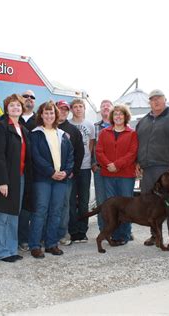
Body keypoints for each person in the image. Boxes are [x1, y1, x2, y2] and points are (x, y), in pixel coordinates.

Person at [136, 89, 169, 251]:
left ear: (165, 100)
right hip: (148, 170)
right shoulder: (143, 121)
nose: (156, 102)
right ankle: (155, 235)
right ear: (149, 102)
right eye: (152, 99)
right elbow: (136, 144)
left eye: (159, 99)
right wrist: (136, 162)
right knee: (150, 205)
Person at [0, 94, 31, 262]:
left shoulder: (23, 129)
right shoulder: (1, 127)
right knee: (2, 216)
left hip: (20, 178)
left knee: (13, 214)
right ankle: (2, 252)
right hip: (5, 178)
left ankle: (11, 249)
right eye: (12, 105)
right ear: (7, 108)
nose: (15, 108)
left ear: (22, 108)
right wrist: (3, 181)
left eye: (18, 105)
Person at [29, 101, 74, 259]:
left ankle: (51, 244)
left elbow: (70, 156)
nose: (49, 116)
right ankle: (34, 245)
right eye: (46, 113)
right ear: (41, 115)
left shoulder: (62, 135)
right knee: (41, 211)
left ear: (56, 116)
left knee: (56, 212)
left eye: (52, 113)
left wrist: (66, 172)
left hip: (61, 180)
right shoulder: (35, 134)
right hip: (43, 179)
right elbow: (36, 157)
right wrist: (51, 172)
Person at [96, 104, 138, 245]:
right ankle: (112, 233)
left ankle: (124, 235)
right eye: (116, 114)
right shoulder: (104, 133)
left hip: (126, 175)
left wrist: (117, 165)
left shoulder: (132, 133)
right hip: (108, 174)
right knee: (112, 206)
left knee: (126, 206)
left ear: (126, 117)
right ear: (112, 117)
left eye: (121, 114)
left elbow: (132, 153)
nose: (118, 116)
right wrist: (109, 165)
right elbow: (99, 151)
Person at [56, 100, 84, 246]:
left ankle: (62, 234)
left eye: (66, 109)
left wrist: (73, 171)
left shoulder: (73, 130)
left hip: (67, 175)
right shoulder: (47, 126)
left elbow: (79, 152)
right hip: (49, 175)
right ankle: (47, 233)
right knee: (48, 206)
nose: (63, 111)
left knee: (65, 205)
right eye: (60, 109)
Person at [68, 99, 95, 243]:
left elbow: (91, 144)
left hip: (85, 167)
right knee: (71, 201)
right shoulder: (68, 125)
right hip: (71, 168)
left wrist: (87, 159)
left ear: (84, 109)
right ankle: (73, 231)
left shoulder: (90, 125)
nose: (78, 109)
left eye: (80, 106)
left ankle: (82, 230)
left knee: (84, 201)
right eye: (75, 107)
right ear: (71, 109)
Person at [17, 89, 37, 251]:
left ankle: (29, 238)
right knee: (17, 205)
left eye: (32, 97)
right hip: (16, 171)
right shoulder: (11, 119)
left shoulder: (40, 120)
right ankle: (17, 238)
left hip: (36, 171)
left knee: (32, 206)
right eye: (26, 96)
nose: (29, 98)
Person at [92, 100, 113, 232]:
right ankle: (102, 229)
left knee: (116, 200)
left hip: (115, 169)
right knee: (101, 200)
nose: (105, 107)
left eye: (108, 105)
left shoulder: (120, 125)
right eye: (103, 106)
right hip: (99, 168)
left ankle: (119, 229)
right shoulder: (95, 127)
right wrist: (93, 163)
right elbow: (92, 147)